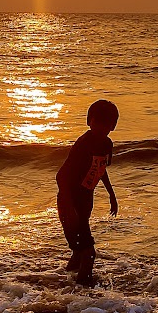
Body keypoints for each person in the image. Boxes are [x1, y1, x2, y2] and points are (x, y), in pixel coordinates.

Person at [56, 99, 119, 285]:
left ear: (113, 126)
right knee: (89, 252)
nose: (101, 128)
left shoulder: (107, 144)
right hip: (69, 200)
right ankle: (85, 287)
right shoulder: (83, 144)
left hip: (85, 201)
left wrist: (111, 194)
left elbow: (101, 169)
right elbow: (61, 177)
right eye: (97, 122)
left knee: (79, 250)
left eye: (106, 124)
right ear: (89, 121)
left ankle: (68, 285)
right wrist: (70, 208)